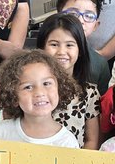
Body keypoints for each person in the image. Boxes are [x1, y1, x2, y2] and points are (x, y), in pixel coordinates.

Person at [38, 13, 101, 149]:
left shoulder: (89, 93)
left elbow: (91, 140)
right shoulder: (33, 89)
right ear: (41, 49)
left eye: (69, 45)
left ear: (80, 50)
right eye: (54, 44)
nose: (62, 51)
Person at [56, 0, 111, 93]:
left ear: (96, 25)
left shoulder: (99, 64)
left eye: (89, 16)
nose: (80, 20)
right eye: (72, 13)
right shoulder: (44, 53)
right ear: (58, 15)